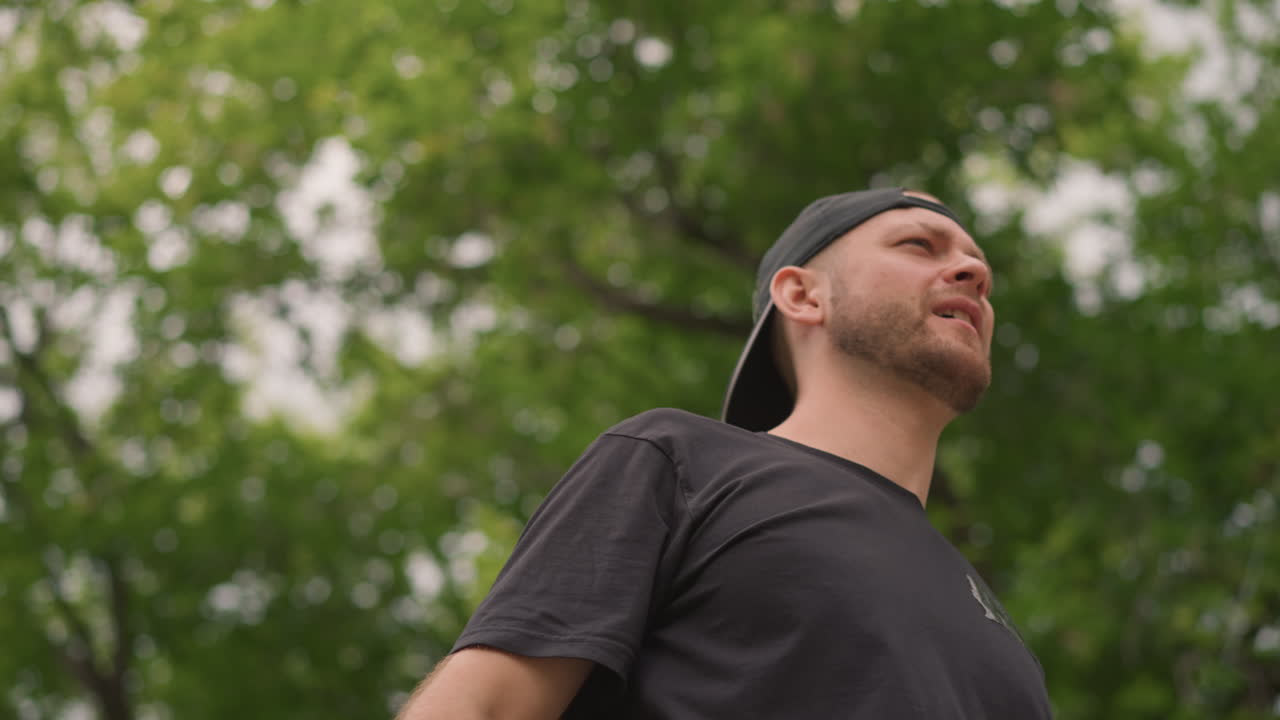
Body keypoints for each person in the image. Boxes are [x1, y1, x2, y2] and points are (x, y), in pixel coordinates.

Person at [397, 187, 1053, 719]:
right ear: (803, 295)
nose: (975, 273)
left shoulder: (1001, 636)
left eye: (979, 266)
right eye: (918, 245)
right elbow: (480, 708)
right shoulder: (680, 465)